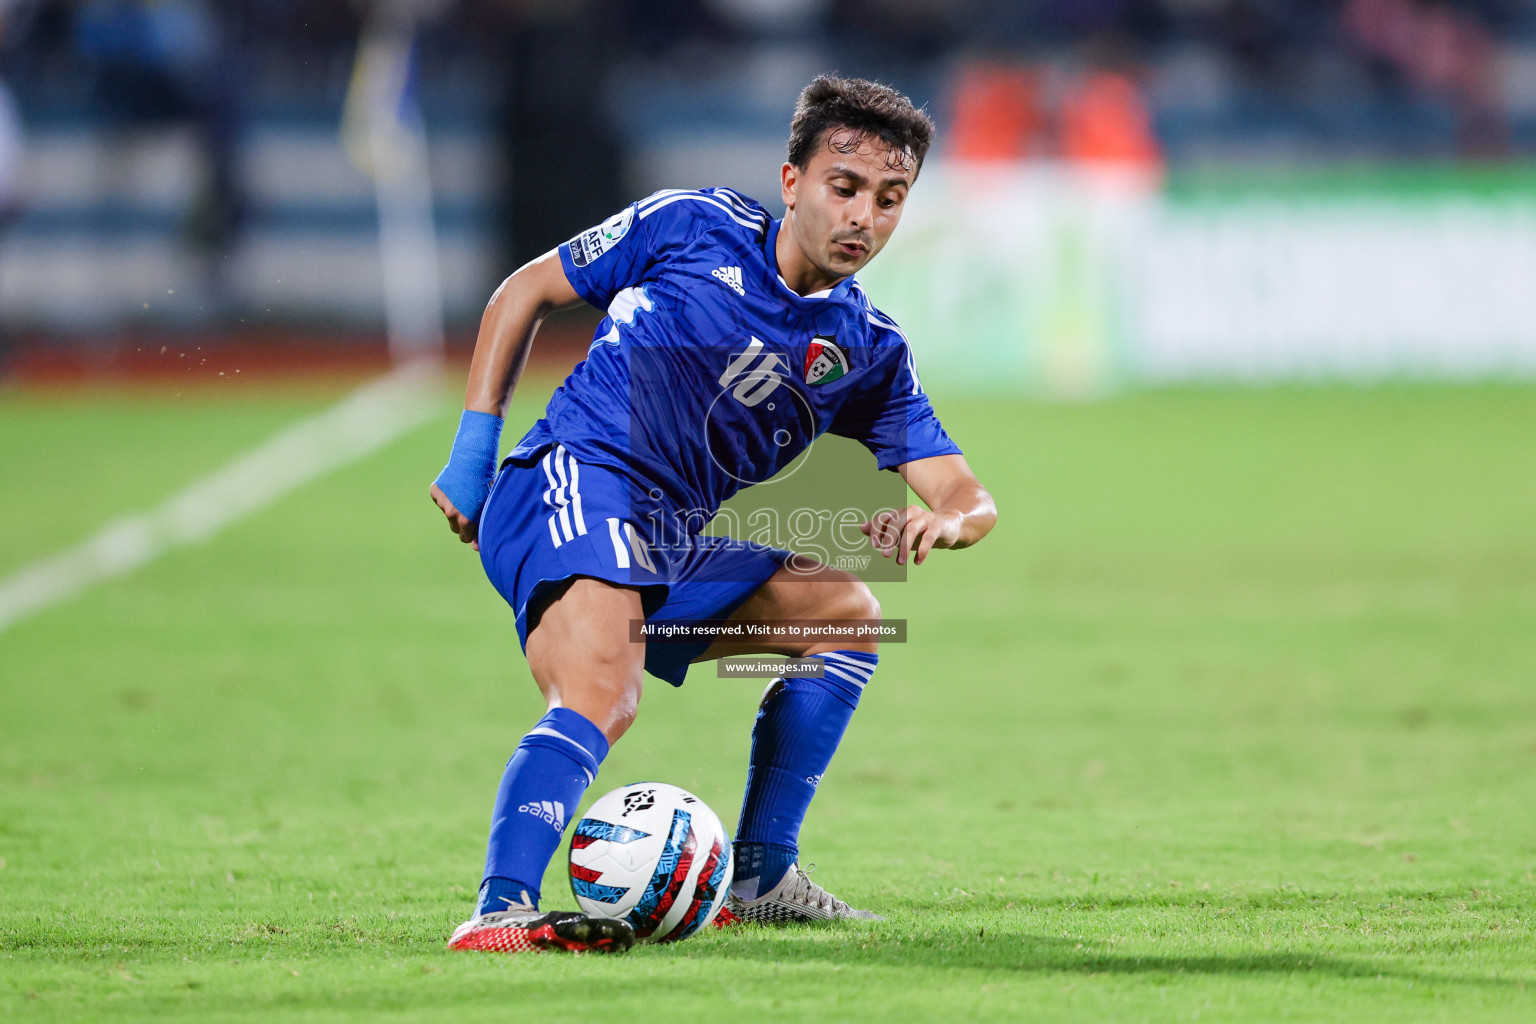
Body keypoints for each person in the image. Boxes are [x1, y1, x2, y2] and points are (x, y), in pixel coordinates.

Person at [430, 75, 997, 954]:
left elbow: (963, 491)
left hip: (668, 539)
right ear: (791, 182)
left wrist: (953, 522)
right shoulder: (692, 225)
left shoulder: (866, 350)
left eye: (890, 200)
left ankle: (764, 872)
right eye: (844, 189)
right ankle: (499, 909)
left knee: (849, 618)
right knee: (602, 691)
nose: (864, 219)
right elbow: (523, 293)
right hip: (572, 479)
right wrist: (473, 453)